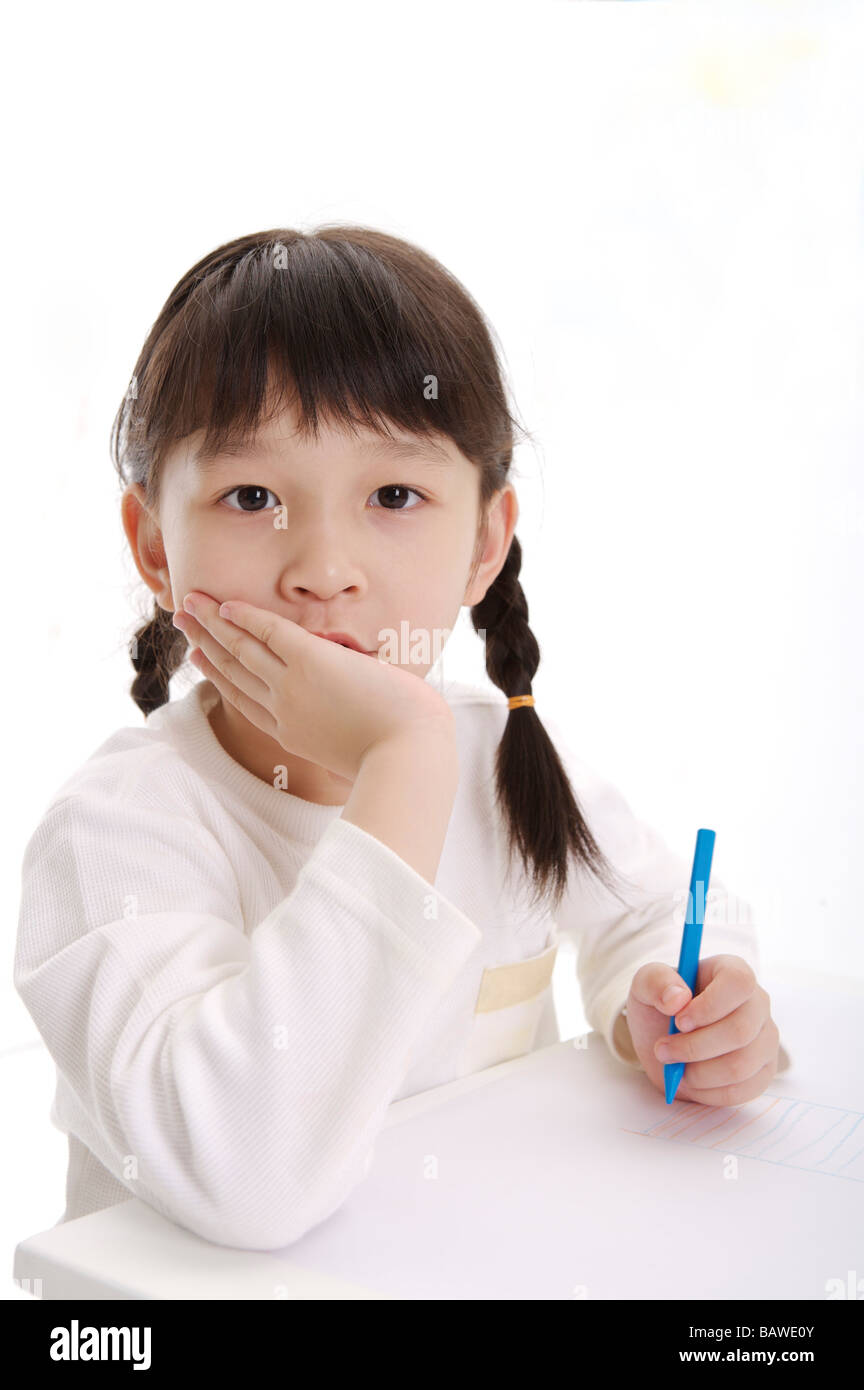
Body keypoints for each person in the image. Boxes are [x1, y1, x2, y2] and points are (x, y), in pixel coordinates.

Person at [14, 226, 786, 1251]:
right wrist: (403, 762)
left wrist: (686, 994)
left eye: (393, 496)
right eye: (252, 497)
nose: (323, 569)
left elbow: (655, 909)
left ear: (484, 544)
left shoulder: (505, 757)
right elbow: (249, 1176)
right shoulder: (116, 836)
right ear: (157, 547)